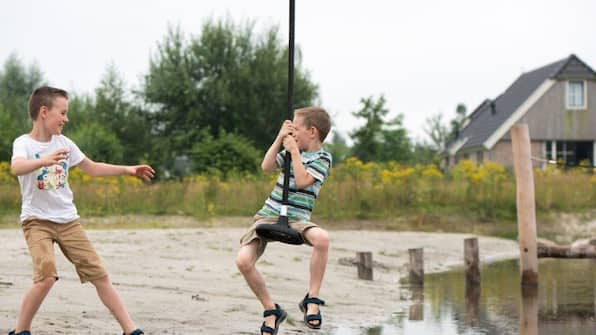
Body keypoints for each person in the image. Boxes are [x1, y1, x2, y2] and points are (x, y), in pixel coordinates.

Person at [9, 86, 154, 335]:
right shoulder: (23, 143)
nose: (66, 118)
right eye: (62, 112)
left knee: (99, 275)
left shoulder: (65, 144)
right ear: (44, 112)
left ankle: (130, 330)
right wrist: (44, 160)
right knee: (45, 277)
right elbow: (17, 167)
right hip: (36, 221)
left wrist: (129, 169)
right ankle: (21, 330)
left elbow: (93, 167)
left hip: (68, 221)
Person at [235, 106, 333, 335]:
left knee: (322, 239)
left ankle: (312, 298)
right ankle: (271, 310)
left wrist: (295, 154)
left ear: (312, 131)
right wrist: (280, 139)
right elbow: (266, 166)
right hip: (269, 213)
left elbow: (302, 181)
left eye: (295, 129)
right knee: (243, 261)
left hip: (297, 218)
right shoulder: (289, 149)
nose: (292, 134)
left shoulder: (323, 158)